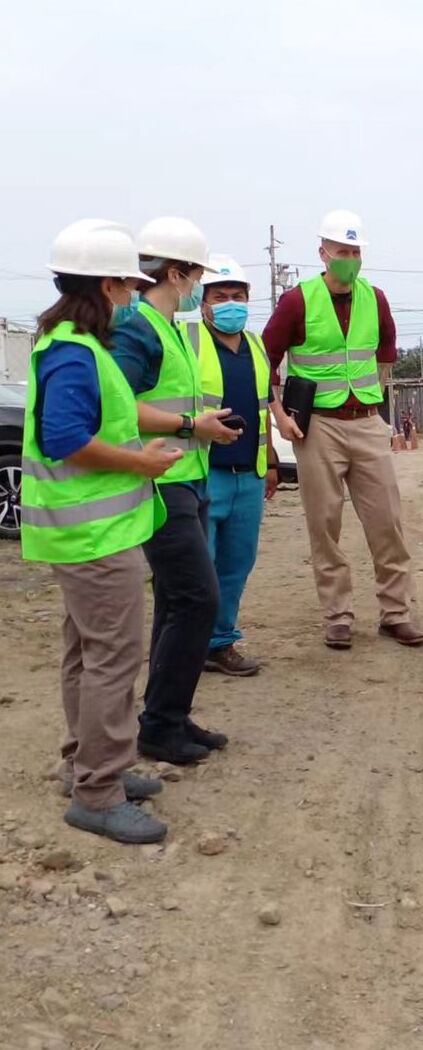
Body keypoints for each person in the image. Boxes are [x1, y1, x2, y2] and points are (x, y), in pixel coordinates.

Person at [21, 220, 179, 843]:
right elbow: (64, 437)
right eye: (129, 286)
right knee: (112, 659)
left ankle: (82, 764)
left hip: (83, 533)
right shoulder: (75, 351)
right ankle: (98, 791)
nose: (134, 296)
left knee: (87, 654)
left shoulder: (69, 342)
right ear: (107, 285)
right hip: (95, 539)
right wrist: (140, 463)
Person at [263, 210, 423, 650]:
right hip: (318, 428)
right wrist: (279, 415)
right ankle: (337, 616)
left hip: (367, 422)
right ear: (323, 253)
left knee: (388, 522)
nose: (349, 259)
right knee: (324, 524)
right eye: (341, 251)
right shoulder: (297, 301)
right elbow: (266, 360)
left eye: (355, 252)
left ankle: (396, 613)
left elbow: (386, 354)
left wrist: (376, 401)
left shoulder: (376, 299)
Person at [111, 217, 241, 765]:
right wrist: (190, 426)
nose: (198, 286)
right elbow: (116, 404)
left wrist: (202, 429)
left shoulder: (169, 329)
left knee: (175, 600)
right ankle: (161, 725)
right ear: (175, 273)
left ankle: (168, 716)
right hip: (161, 482)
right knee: (197, 598)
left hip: (188, 477)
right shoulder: (137, 328)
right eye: (196, 276)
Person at [182, 255, 278, 677]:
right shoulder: (187, 340)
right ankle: (186, 647)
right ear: (203, 302)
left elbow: (263, 409)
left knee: (236, 565)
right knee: (198, 569)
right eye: (220, 296)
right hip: (203, 472)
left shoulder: (257, 346)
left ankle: (220, 643)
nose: (230, 304)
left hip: (248, 475)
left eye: (237, 296)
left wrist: (270, 463)